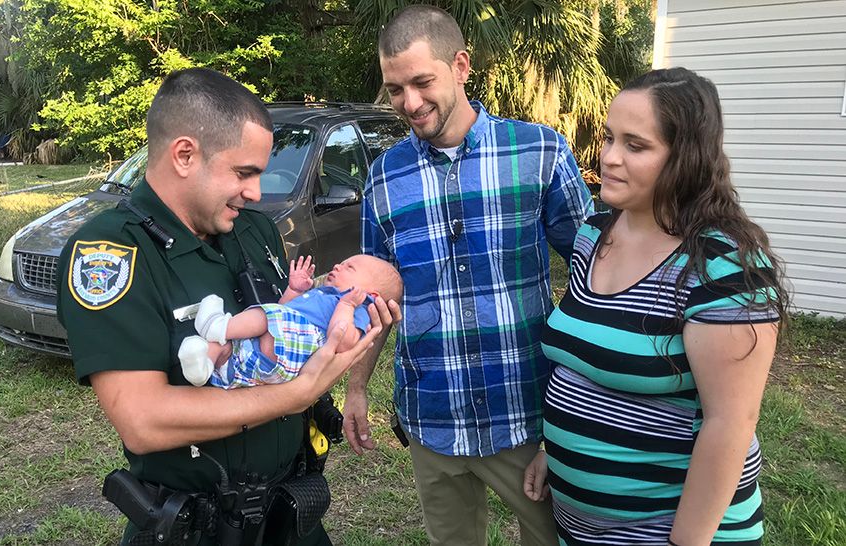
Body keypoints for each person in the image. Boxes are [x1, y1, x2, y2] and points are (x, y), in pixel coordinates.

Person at [56, 68, 395, 546]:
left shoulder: (255, 231)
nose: (256, 192)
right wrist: (295, 396)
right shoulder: (112, 253)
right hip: (197, 528)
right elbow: (143, 421)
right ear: (185, 155)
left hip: (290, 512)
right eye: (244, 173)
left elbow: (292, 325)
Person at [343, 5, 594, 545]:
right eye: (395, 89)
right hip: (433, 414)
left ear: (460, 66)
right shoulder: (385, 177)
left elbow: (596, 277)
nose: (410, 103)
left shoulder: (539, 152)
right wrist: (357, 387)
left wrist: (582, 406)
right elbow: (372, 296)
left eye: (421, 82)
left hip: (527, 411)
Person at [522, 67, 788, 545]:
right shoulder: (593, 235)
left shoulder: (722, 265)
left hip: (667, 531)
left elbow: (730, 425)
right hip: (579, 528)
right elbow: (581, 358)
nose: (609, 157)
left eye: (635, 145)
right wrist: (554, 449)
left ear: (686, 158)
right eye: (609, 138)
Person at [178, 254, 403, 388]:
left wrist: (347, 305)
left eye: (349, 267)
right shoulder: (323, 294)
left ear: (371, 294)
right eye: (341, 263)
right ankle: (203, 365)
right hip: (262, 362)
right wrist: (294, 290)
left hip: (296, 350)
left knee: (267, 315)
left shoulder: (359, 308)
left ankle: (219, 326)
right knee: (227, 347)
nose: (337, 266)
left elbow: (343, 342)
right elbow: (286, 309)